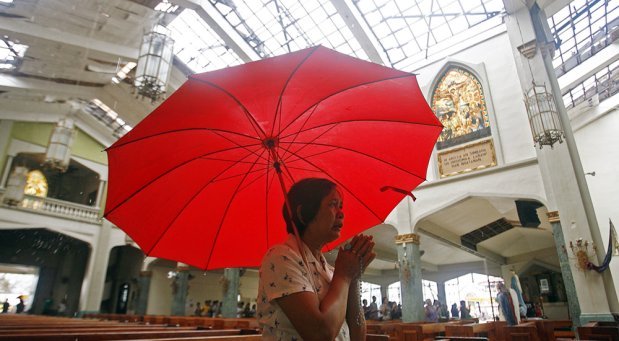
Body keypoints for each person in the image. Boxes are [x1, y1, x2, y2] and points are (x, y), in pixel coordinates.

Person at [257, 178, 376, 341]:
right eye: (333, 204)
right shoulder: (281, 257)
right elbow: (321, 334)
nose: (341, 213)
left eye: (340, 206)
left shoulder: (329, 270)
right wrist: (344, 276)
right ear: (303, 213)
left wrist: (354, 277)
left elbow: (357, 336)